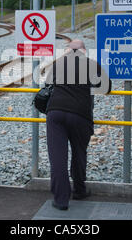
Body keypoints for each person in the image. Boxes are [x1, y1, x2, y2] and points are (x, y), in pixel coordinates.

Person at [45, 39, 112, 210]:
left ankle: (61, 200)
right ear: (83, 51)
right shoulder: (91, 64)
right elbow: (106, 88)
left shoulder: (58, 63)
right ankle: (80, 190)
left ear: (68, 50)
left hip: (56, 112)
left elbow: (47, 83)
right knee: (79, 152)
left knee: (58, 157)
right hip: (80, 115)